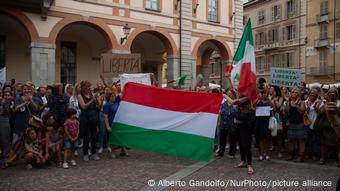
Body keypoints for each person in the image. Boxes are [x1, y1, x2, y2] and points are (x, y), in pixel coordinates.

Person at [77, 81, 100, 161]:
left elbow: (97, 106)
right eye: (87, 87)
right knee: (86, 137)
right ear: (83, 87)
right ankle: (85, 153)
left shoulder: (91, 95)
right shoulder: (80, 96)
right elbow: (83, 106)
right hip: (85, 118)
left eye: (90, 87)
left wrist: (97, 100)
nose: (89, 88)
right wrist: (91, 100)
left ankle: (94, 153)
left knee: (94, 136)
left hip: (93, 118)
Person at [285, 87, 306, 162]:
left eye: (296, 92)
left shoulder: (301, 102)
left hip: (299, 123)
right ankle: (291, 155)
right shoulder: (289, 102)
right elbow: (286, 111)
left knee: (301, 140)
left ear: (299, 94)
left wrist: (296, 105)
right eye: (293, 92)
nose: (293, 93)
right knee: (291, 140)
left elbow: (302, 111)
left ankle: (301, 156)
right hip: (291, 123)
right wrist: (288, 102)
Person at [103, 92, 128, 158]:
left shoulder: (116, 102)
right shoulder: (106, 105)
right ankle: (113, 152)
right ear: (109, 97)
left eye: (114, 96)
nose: (114, 97)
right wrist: (107, 126)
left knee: (121, 136)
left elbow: (122, 93)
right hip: (111, 123)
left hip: (118, 123)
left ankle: (123, 150)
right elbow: (105, 116)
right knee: (112, 138)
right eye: (112, 96)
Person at [215, 89, 237, 158]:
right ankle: (221, 152)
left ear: (233, 95)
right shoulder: (223, 103)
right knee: (222, 138)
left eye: (231, 93)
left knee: (232, 139)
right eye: (228, 94)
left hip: (232, 124)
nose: (229, 95)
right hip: (223, 123)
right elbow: (220, 113)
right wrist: (219, 122)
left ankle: (232, 153)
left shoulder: (236, 103)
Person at [254, 88, 272, 161]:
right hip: (259, 122)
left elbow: (273, 106)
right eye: (262, 93)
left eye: (265, 93)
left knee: (267, 139)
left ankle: (266, 154)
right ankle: (261, 154)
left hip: (267, 121)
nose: (263, 94)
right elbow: (253, 105)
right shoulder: (258, 100)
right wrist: (258, 99)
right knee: (260, 139)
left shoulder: (268, 101)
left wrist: (268, 100)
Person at [304, 88, 321, 160]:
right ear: (309, 94)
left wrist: (316, 108)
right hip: (307, 123)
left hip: (316, 123)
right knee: (308, 140)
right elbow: (303, 112)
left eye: (314, 93)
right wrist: (307, 108)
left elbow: (320, 114)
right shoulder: (305, 102)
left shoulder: (319, 102)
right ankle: (308, 154)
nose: (312, 94)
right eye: (311, 93)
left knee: (315, 140)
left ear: (316, 95)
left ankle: (315, 154)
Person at [0, 90, 12, 168]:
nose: (7, 96)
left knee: (5, 140)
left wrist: (4, 104)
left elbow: (7, 113)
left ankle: (4, 160)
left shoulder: (7, 102)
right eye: (5, 95)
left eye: (8, 95)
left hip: (4, 120)